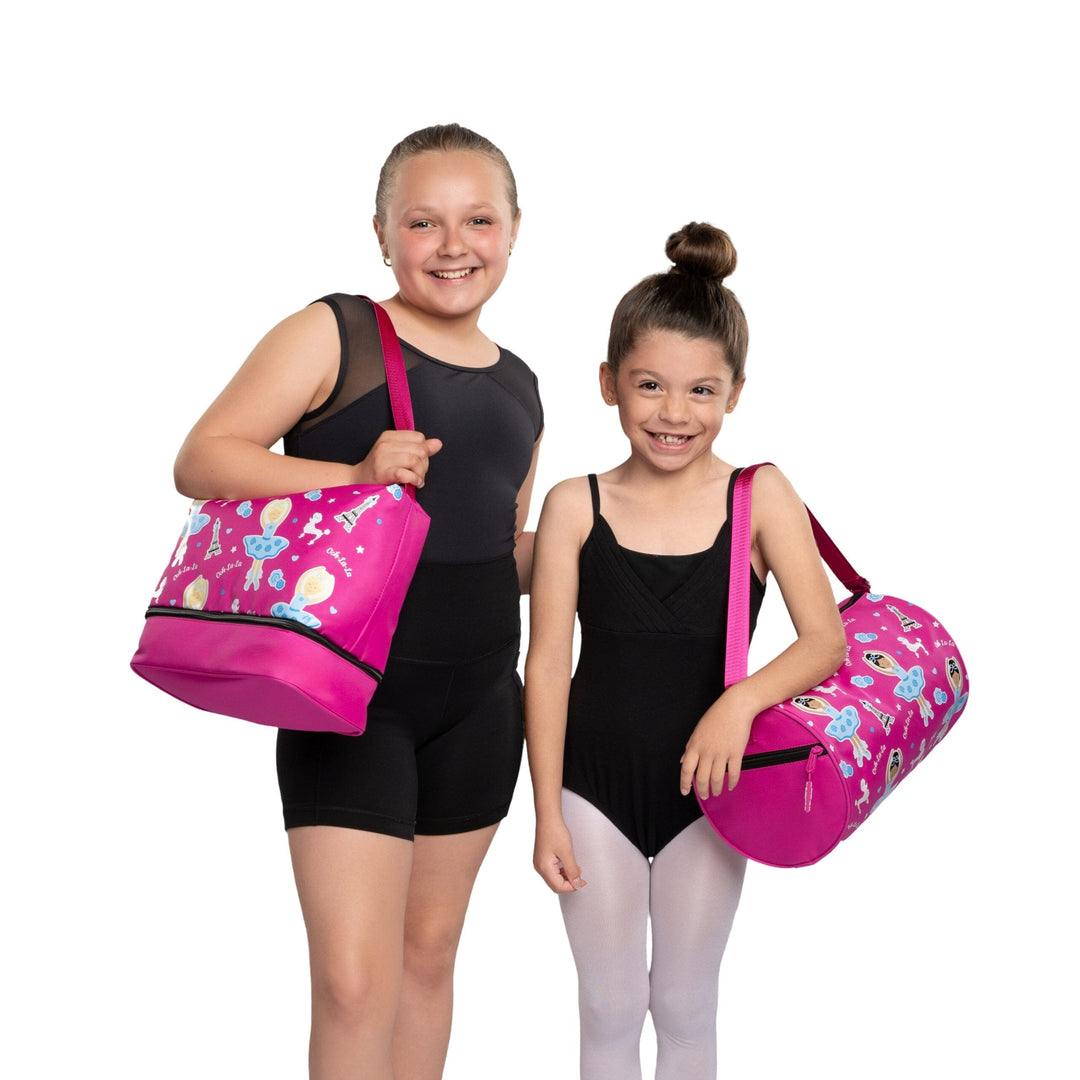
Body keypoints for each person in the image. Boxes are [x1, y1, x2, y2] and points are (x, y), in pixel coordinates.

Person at [174, 124, 542, 1080]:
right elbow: (203, 458)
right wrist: (349, 474)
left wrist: (631, 534)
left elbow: (499, 551)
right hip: (350, 699)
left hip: (480, 702)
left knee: (428, 960)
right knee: (350, 984)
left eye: (478, 220)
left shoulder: (523, 386)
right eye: (423, 222)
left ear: (515, 229)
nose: (453, 245)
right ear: (381, 234)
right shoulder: (334, 333)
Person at [524, 222, 846, 1080]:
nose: (674, 414)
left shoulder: (760, 495)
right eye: (650, 386)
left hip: (713, 792)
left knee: (685, 1005)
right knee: (606, 1008)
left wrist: (738, 703)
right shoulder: (575, 504)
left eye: (702, 390)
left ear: (735, 393)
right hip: (590, 786)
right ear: (608, 383)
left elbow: (825, 640)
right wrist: (546, 809)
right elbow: (546, 665)